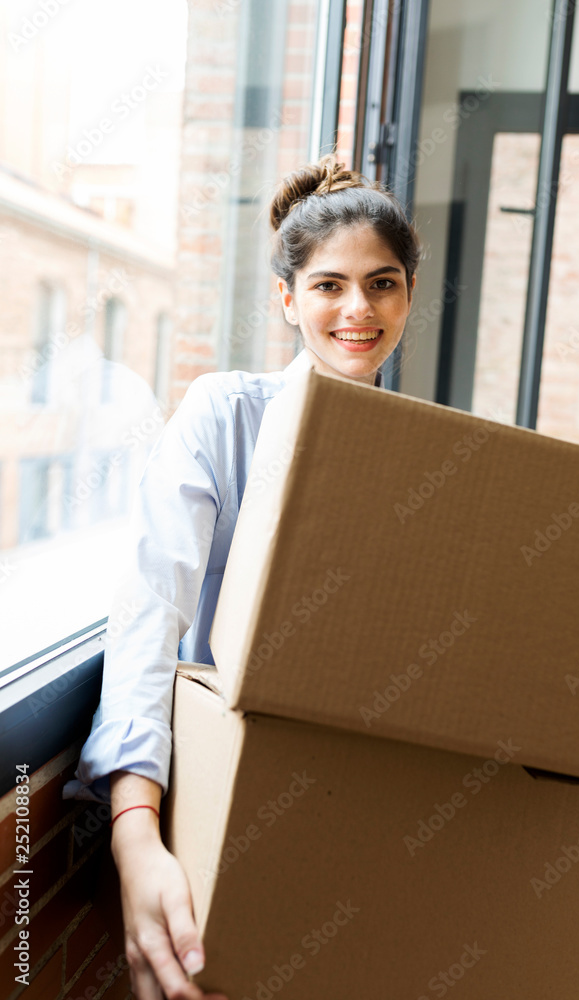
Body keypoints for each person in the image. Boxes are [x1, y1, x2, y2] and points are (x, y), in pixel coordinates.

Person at [63, 152, 421, 1000]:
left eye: (383, 283)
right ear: (287, 299)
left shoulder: (421, 456)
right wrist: (136, 832)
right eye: (329, 285)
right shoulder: (224, 415)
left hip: (351, 803)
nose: (358, 309)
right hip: (211, 792)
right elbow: (150, 611)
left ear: (408, 296)